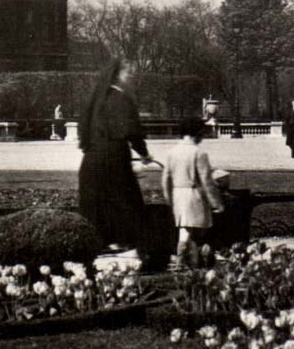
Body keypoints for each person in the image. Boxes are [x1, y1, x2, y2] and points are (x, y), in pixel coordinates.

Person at [77, 57, 153, 255]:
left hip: (91, 158)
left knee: (97, 202)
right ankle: (128, 242)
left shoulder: (97, 99)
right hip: (114, 157)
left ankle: (99, 242)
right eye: (129, 73)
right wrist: (144, 154)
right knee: (125, 199)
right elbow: (132, 131)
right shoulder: (122, 99)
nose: (132, 76)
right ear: (118, 76)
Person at [162, 116, 224, 269]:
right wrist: (216, 203)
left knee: (185, 228)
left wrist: (168, 198)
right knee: (193, 230)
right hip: (194, 195)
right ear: (198, 133)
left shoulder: (172, 152)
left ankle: (187, 260)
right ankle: (186, 260)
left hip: (178, 195)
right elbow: (206, 181)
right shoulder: (198, 153)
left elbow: (165, 179)